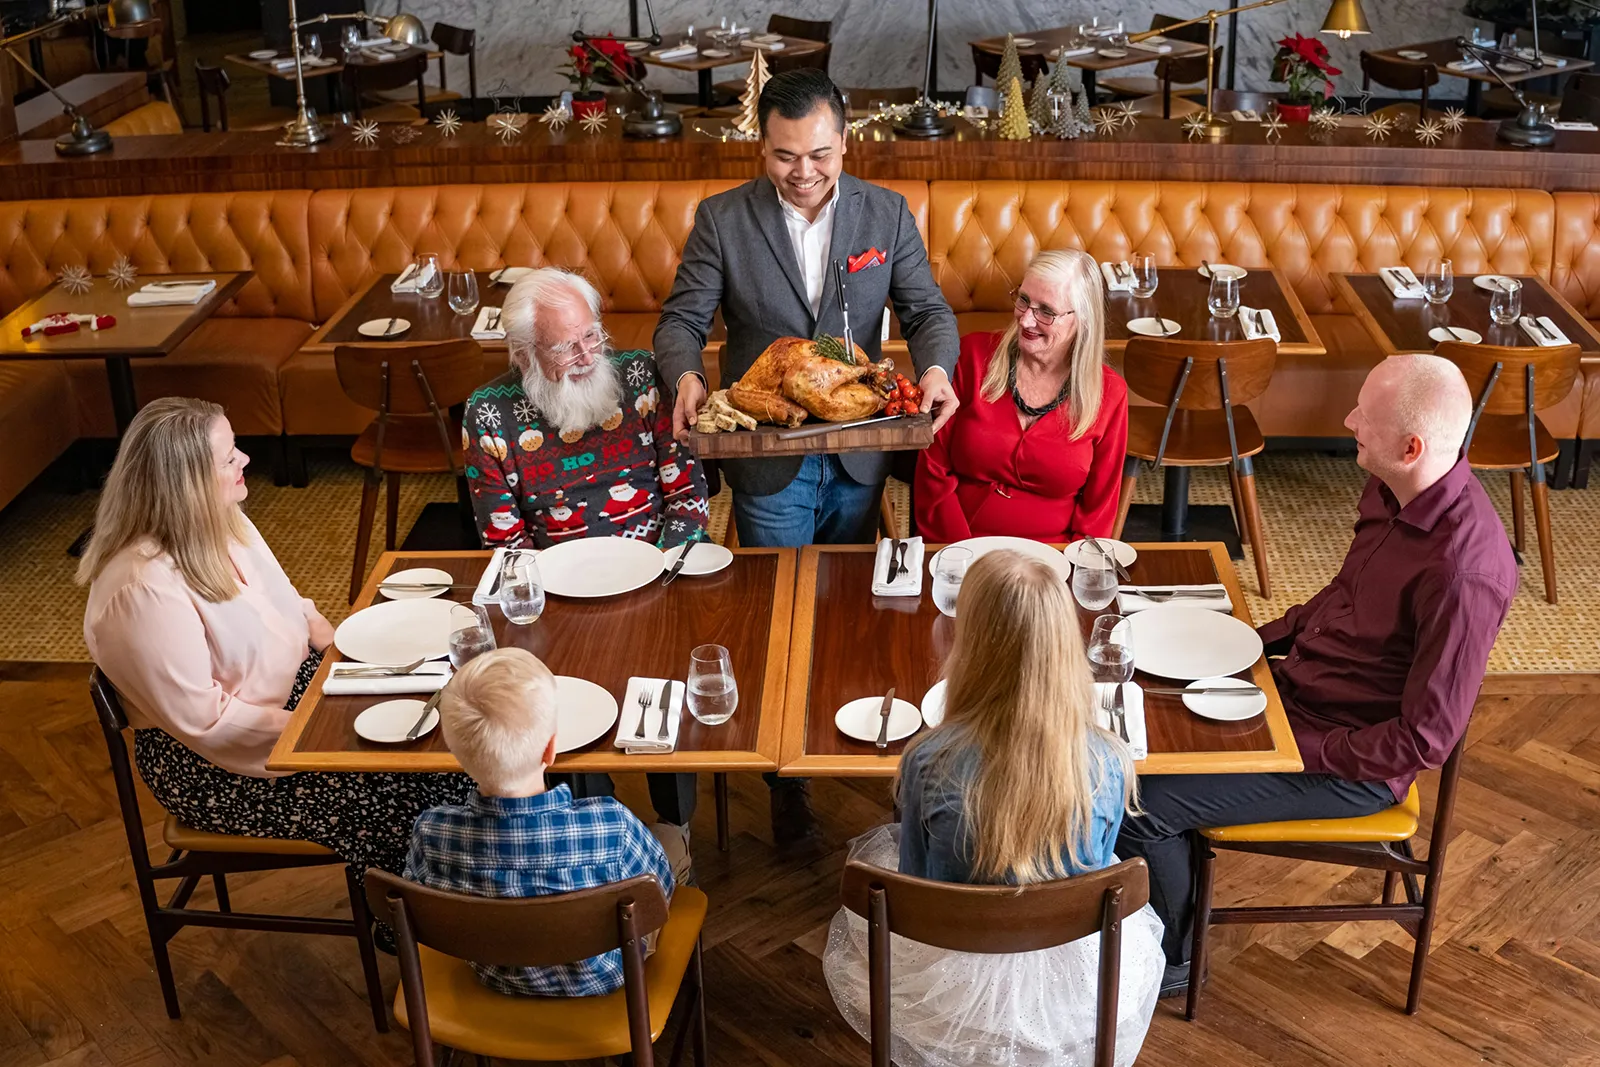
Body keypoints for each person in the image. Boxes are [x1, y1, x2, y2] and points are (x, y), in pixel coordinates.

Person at [1116, 353, 1518, 998]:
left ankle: (1175, 957)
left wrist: (1286, 746)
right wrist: (1246, 643)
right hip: (1299, 699)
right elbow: (1342, 599)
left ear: (1411, 446)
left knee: (1138, 805)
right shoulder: (1391, 486)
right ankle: (1146, 904)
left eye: (1366, 415)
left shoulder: (1464, 572)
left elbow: (1423, 742)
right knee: (1141, 718)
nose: (1348, 418)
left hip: (1350, 759)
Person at [654, 67, 961, 840]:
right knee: (776, 613)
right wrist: (688, 376)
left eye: (819, 154)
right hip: (769, 453)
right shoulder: (722, 219)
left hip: (861, 451)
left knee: (853, 610)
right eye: (786, 155)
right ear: (761, 147)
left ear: (845, 141)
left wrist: (933, 368)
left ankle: (845, 745)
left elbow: (925, 308)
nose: (804, 172)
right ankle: (781, 774)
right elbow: (680, 320)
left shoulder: (886, 214)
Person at [80, 398, 470, 882]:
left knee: (447, 734)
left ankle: (470, 895)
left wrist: (334, 641)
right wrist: (321, 732)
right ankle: (413, 919)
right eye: (228, 458)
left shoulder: (221, 517)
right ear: (187, 485)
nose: (245, 460)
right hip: (217, 764)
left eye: (236, 447)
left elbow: (278, 600)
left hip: (296, 700)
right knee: (405, 790)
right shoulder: (142, 589)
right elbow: (205, 720)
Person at [823, 551, 1164, 1067]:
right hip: (1070, 970)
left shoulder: (928, 760)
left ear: (973, 645)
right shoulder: (1109, 762)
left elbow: (915, 884)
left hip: (947, 965)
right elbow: (1101, 864)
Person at [463, 266, 707, 839]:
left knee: (666, 677)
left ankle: (677, 825)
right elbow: (505, 545)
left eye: (592, 335)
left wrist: (662, 573)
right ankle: (597, 824)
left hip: (657, 578)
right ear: (524, 355)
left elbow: (689, 499)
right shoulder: (490, 413)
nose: (586, 354)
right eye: (566, 345)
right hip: (559, 596)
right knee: (563, 698)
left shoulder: (642, 378)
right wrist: (549, 607)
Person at [405, 647, 686, 995]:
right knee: (672, 839)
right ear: (551, 749)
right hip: (611, 976)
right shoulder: (613, 826)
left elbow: (425, 911)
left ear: (456, 754)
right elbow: (658, 893)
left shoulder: (431, 832)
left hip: (495, 976)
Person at [915, 249, 1127, 543]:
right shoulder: (972, 358)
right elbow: (933, 471)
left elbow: (1099, 510)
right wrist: (958, 555)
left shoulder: (1109, 393)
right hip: (961, 547)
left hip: (1055, 558)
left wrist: (1074, 573)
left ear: (1083, 319)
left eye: (1046, 312)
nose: (1026, 320)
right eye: (1024, 300)